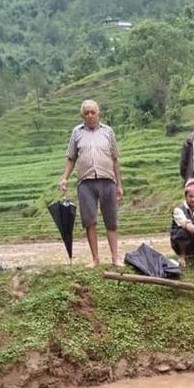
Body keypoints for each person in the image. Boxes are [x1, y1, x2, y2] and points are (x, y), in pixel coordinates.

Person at [59, 99, 123, 266]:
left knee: (111, 220)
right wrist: (64, 177)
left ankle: (115, 257)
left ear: (98, 113)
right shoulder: (77, 133)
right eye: (86, 113)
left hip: (107, 180)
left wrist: (119, 185)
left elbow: (115, 159)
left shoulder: (108, 132)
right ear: (82, 115)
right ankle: (95, 259)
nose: (90, 115)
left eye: (92, 112)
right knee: (89, 221)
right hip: (86, 182)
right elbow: (71, 158)